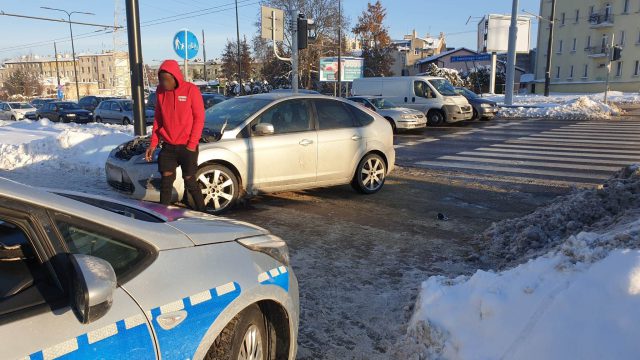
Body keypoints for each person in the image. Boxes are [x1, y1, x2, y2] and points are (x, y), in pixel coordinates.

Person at [145, 59, 206, 211]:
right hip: (169, 146)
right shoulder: (160, 92)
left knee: (190, 181)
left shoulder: (191, 90)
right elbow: (158, 119)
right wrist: (153, 143)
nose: (164, 83)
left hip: (187, 146)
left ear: (175, 77)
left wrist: (192, 144)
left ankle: (204, 214)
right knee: (166, 181)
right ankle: (163, 217)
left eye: (166, 80)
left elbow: (199, 118)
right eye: (161, 80)